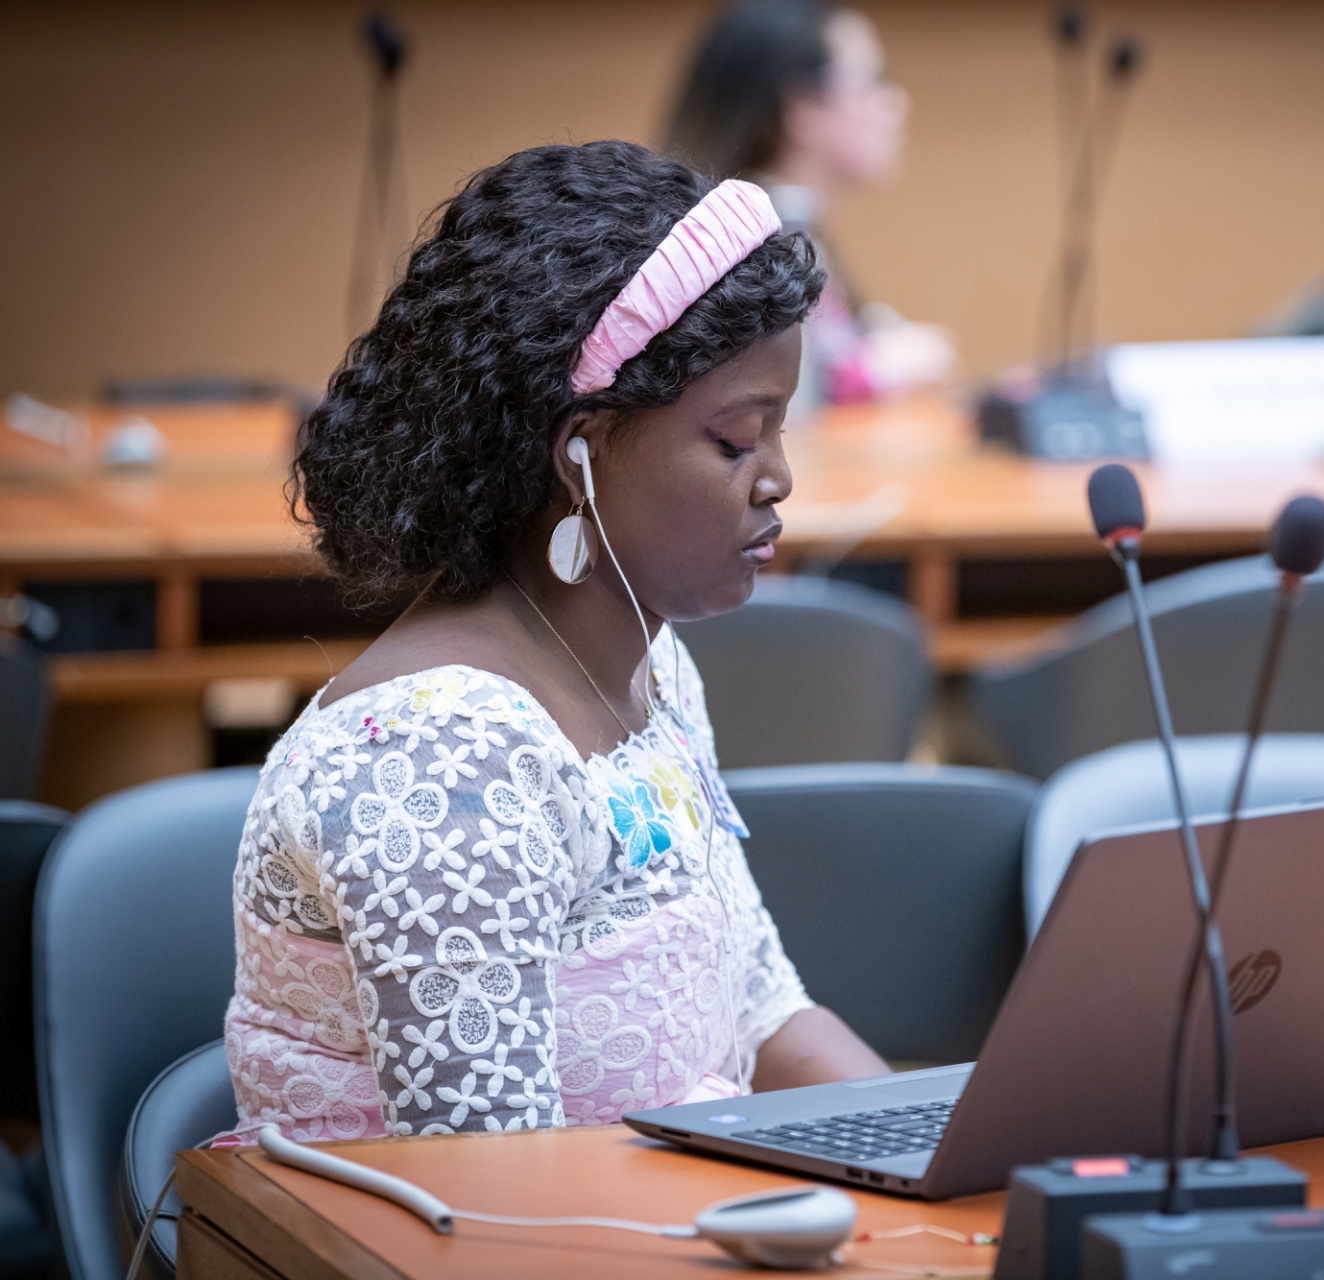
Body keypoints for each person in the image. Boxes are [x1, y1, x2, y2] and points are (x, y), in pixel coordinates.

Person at [223, 141, 889, 1142]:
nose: (778, 478)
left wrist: (952, 1164)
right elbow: (498, 1200)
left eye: (780, 429)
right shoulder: (441, 757)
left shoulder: (647, 662)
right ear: (577, 453)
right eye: (735, 438)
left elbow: (762, 1011)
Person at [665, 0, 952, 417]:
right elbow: (778, 400)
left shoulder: (793, 226)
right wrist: (886, 367)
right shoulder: (743, 246)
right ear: (803, 109)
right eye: (874, 80)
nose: (897, 101)